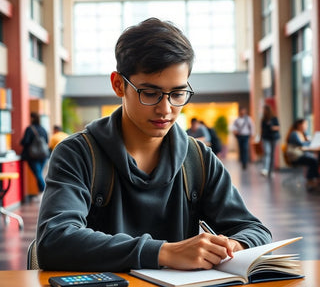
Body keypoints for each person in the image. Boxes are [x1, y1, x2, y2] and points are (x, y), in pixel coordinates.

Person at [36, 18, 271, 272]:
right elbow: (54, 241)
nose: (166, 109)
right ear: (118, 85)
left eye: (178, 94)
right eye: (150, 93)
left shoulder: (198, 159)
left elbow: (255, 230)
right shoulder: (78, 154)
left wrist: (233, 246)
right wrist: (164, 252)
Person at [285, 118, 319, 191]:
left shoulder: (303, 133)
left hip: (302, 154)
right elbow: (301, 143)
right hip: (296, 156)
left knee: (315, 160)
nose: (306, 126)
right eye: (305, 124)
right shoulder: (294, 133)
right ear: (299, 125)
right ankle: (310, 180)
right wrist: (311, 142)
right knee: (313, 161)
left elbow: (307, 142)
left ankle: (313, 180)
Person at [20, 112, 48, 193]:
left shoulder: (29, 129)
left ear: (32, 118)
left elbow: (25, 141)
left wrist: (20, 142)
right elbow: (47, 141)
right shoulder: (43, 129)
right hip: (43, 155)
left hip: (33, 156)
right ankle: (40, 193)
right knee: (39, 174)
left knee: (38, 175)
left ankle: (45, 192)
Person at [260, 104, 280, 177]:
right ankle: (265, 169)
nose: (264, 112)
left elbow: (278, 127)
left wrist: (272, 127)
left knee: (272, 155)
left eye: (265, 110)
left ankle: (271, 171)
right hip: (266, 138)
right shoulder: (263, 119)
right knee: (267, 153)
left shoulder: (274, 118)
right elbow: (262, 130)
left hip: (274, 138)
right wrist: (260, 138)